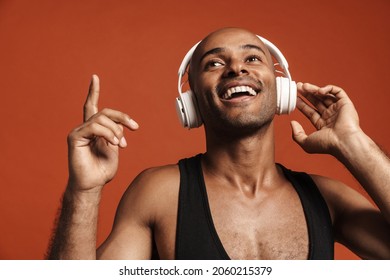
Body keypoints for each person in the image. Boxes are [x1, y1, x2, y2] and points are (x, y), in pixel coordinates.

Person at [47, 27, 390, 260]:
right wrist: (84, 190)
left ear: (281, 87)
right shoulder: (159, 194)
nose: (236, 69)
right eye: (214, 63)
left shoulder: (326, 199)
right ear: (191, 101)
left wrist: (353, 144)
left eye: (253, 58)